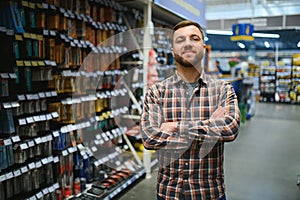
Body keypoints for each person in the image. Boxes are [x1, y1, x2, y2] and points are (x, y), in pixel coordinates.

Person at [140, 20, 240, 200]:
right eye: (180, 40)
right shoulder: (157, 92)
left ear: (203, 46)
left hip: (209, 193)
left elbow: (230, 129)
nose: (187, 43)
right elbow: (149, 139)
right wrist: (209, 126)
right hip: (169, 193)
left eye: (194, 38)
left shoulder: (223, 90)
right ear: (172, 51)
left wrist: (174, 127)